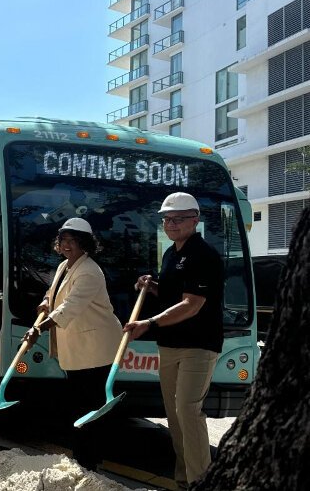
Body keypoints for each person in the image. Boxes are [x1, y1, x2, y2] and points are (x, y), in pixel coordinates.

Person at [123, 192, 223, 489]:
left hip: (198, 346)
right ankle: (184, 478)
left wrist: (149, 323)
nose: (171, 224)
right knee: (175, 416)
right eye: (166, 219)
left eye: (178, 219)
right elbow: (172, 296)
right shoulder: (170, 254)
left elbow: (191, 304)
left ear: (195, 220)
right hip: (169, 345)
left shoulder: (204, 255)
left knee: (188, 411)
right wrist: (151, 286)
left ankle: (201, 482)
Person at [23, 217, 122, 470]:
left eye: (74, 240)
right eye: (64, 240)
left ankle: (88, 461)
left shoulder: (89, 271)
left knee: (89, 406)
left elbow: (71, 306)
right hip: (80, 348)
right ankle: (84, 457)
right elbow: (55, 293)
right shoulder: (64, 267)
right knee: (80, 404)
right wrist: (47, 301)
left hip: (96, 347)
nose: (68, 245)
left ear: (85, 244)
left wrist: (38, 329)